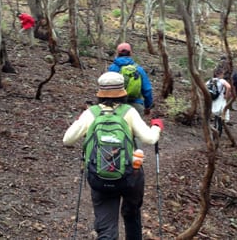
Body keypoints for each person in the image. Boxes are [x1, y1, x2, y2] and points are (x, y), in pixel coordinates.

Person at [63, 72, 164, 240]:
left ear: (100, 93)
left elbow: (67, 140)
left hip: (99, 177)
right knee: (132, 214)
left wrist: (79, 121)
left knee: (107, 230)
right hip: (129, 177)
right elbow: (149, 138)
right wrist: (157, 126)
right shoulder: (129, 112)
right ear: (123, 92)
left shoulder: (91, 113)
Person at [108, 43, 154, 116]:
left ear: (117, 53)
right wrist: (148, 106)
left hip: (116, 105)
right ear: (131, 53)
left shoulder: (112, 68)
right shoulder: (138, 69)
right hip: (136, 106)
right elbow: (147, 89)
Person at [208, 68, 232, 136]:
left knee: (217, 115)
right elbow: (229, 87)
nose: (223, 75)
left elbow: (204, 86)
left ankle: (216, 130)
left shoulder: (211, 80)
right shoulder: (222, 80)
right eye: (222, 74)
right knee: (220, 116)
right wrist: (226, 95)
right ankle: (218, 132)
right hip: (221, 99)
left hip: (214, 99)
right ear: (220, 74)